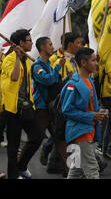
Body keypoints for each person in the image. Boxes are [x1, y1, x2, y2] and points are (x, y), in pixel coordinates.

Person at [1, 29, 45, 179]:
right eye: (29, 40)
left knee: (38, 136)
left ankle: (21, 166)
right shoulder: (9, 59)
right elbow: (14, 77)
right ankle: (13, 175)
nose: (31, 42)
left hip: (27, 106)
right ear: (20, 43)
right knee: (13, 145)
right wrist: (18, 59)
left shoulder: (28, 59)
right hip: (12, 108)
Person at [60, 47, 106, 179]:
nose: (96, 63)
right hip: (79, 132)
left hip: (88, 130)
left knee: (76, 170)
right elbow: (67, 110)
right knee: (92, 169)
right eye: (93, 60)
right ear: (83, 63)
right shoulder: (73, 84)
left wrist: (99, 112)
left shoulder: (90, 81)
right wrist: (92, 115)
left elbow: (91, 107)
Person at [32, 37, 69, 176]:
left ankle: (69, 171)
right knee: (35, 140)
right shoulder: (37, 66)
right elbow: (48, 80)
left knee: (60, 140)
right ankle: (19, 166)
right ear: (42, 48)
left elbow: (55, 83)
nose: (53, 47)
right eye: (50, 44)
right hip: (42, 109)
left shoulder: (48, 64)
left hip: (52, 107)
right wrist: (59, 66)